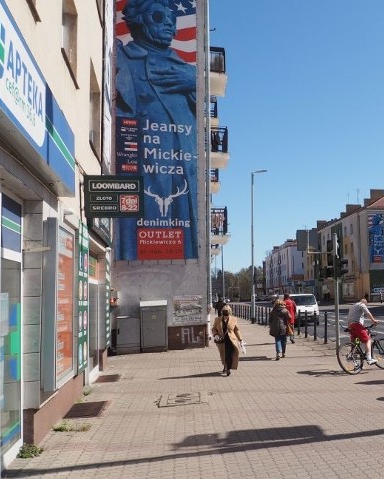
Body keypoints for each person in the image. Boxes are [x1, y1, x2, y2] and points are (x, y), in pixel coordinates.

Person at [115, 0, 199, 261]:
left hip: (183, 170)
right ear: (139, 20)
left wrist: (194, 81)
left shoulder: (187, 71)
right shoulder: (122, 57)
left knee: (185, 241)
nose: (169, 25)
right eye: (160, 16)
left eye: (172, 20)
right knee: (140, 235)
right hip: (146, 168)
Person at [347, 294, 379, 364]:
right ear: (365, 303)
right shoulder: (362, 304)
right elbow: (368, 313)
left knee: (355, 345)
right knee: (367, 340)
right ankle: (369, 359)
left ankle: (355, 364)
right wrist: (374, 320)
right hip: (356, 325)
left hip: (351, 326)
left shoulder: (353, 306)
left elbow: (353, 317)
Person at [211, 305, 243, 376]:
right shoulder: (217, 319)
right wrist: (216, 335)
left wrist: (240, 339)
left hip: (231, 340)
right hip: (221, 340)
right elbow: (213, 329)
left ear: (229, 311)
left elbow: (236, 330)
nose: (225, 312)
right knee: (223, 354)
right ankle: (225, 366)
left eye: (226, 311)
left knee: (229, 354)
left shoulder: (234, 319)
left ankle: (227, 369)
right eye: (223, 311)